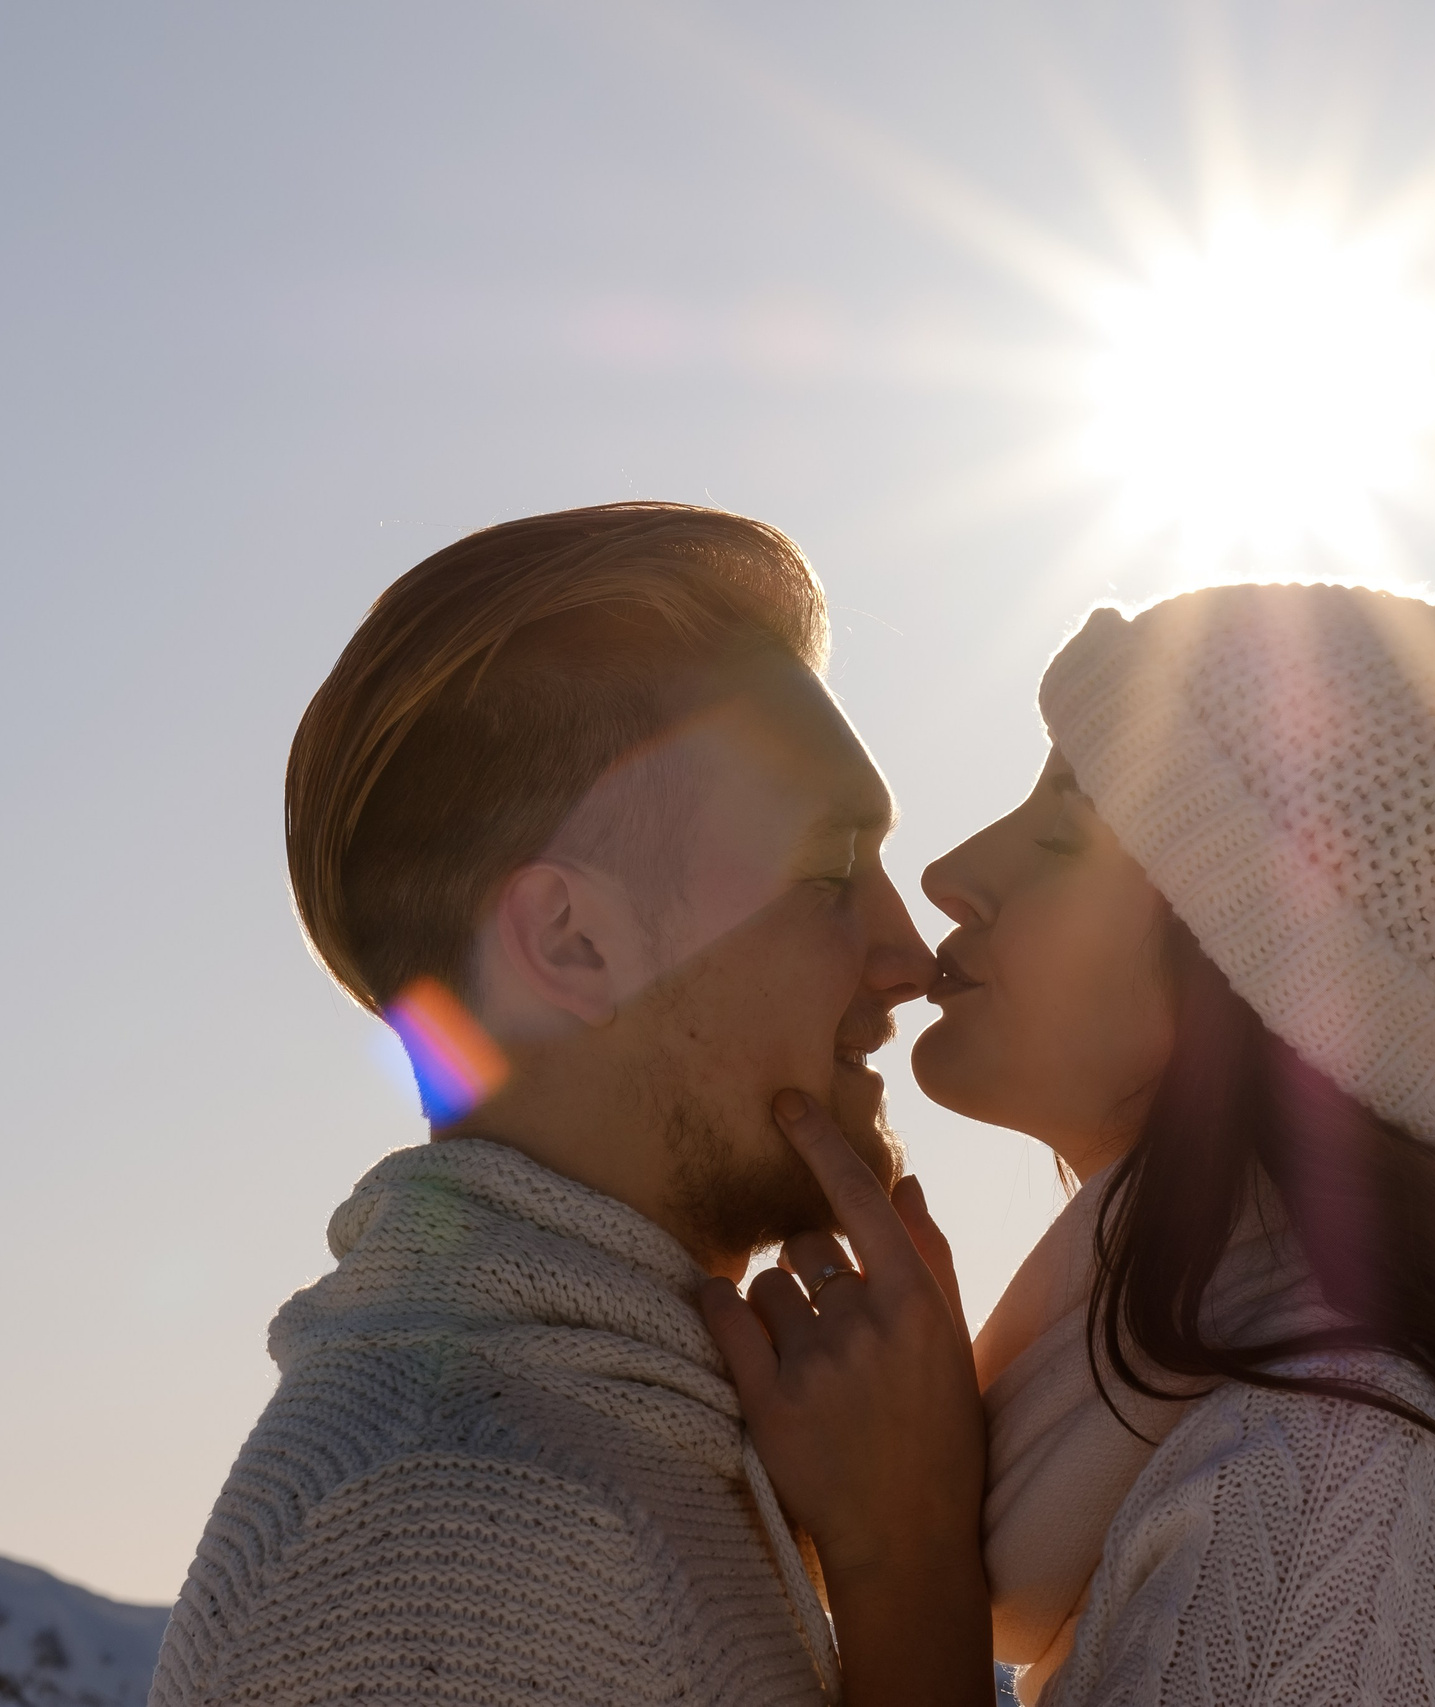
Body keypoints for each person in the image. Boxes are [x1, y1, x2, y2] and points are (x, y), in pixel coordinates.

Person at [709, 572, 1435, 1707]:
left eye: (1060, 835)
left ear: (1261, 965)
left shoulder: (1347, 1488)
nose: (949, 879)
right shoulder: (1268, 1438)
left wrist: (905, 1554)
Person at [147, 502, 986, 1707]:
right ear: (574, 943)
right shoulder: (448, 1540)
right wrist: (910, 1566)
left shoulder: (610, 1442)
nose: (908, 953)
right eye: (827, 873)